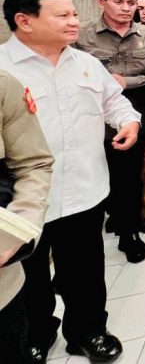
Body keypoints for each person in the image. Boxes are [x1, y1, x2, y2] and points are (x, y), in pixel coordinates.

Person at [1, 0, 140, 362]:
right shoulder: (3, 70)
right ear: (24, 21)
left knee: (86, 272)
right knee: (29, 278)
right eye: (62, 15)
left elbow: (115, 102)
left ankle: (87, 332)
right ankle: (37, 333)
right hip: (25, 201)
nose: (74, 21)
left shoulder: (85, 64)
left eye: (74, 14)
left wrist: (129, 122)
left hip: (85, 189)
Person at [75, 0, 145, 263]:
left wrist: (126, 81)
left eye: (131, 3)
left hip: (140, 114)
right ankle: (114, 216)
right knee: (101, 173)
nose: (127, 8)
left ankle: (131, 231)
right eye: (119, 2)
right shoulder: (81, 37)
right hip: (94, 120)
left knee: (134, 175)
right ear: (102, 2)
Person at [0, 70, 53, 364]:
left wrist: (16, 231)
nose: (71, 21)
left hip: (2, 288)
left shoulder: (3, 85)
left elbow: (31, 164)